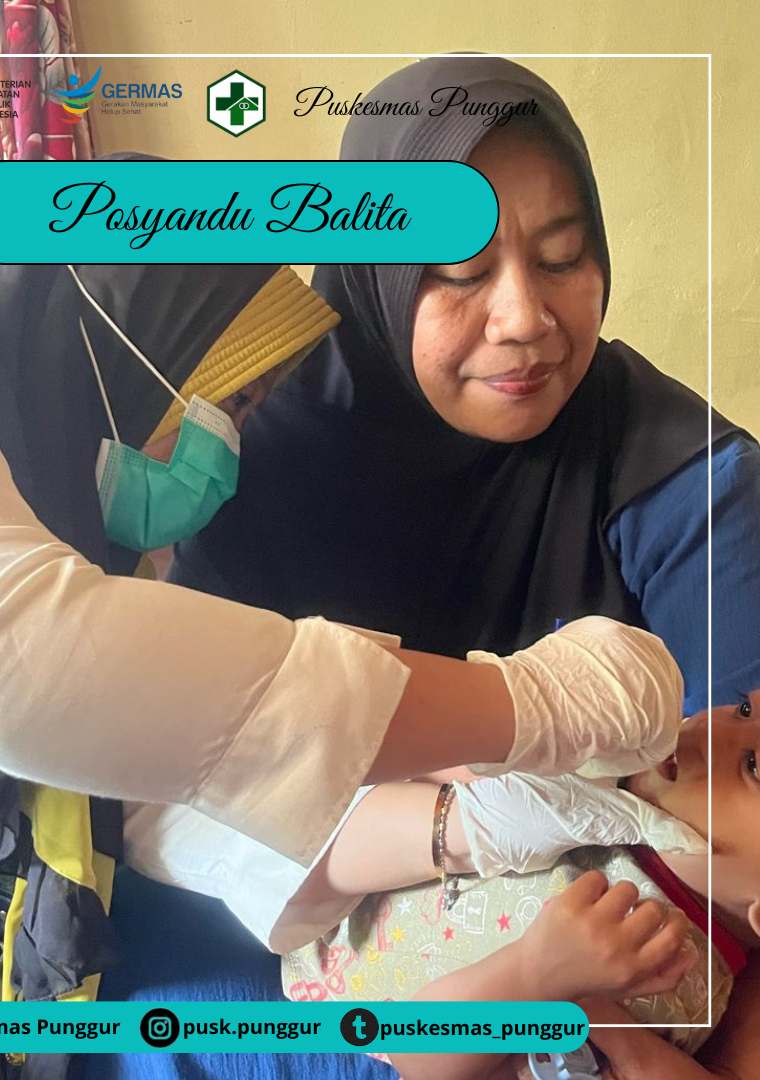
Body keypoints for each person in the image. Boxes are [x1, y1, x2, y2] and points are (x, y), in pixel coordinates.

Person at [0, 190, 684, 1080]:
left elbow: (166, 799)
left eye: (563, 258)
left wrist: (460, 824)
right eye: (231, 402)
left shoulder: (66, 532)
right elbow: (21, 668)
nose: (228, 454)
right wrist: (529, 705)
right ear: (124, 350)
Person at [91, 56, 760, 1080]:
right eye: (458, 273)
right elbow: (172, 790)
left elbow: (740, 824)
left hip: (620, 943)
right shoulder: (258, 457)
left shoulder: (679, 472)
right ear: (378, 278)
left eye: (563, 257)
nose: (526, 318)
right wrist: (451, 826)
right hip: (302, 926)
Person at [378, 689, 760, 1080]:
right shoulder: (619, 773)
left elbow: (416, 1051)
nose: (709, 725)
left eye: (754, 766)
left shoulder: (669, 985)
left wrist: (534, 973)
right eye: (745, 709)